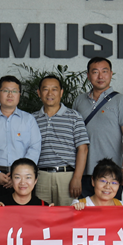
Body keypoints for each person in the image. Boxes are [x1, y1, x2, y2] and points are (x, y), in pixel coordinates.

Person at [72, 58, 123, 200]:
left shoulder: (122, 101)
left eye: (104, 71)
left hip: (111, 173)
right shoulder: (79, 101)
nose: (100, 76)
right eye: (95, 72)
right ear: (88, 76)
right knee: (84, 210)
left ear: (111, 74)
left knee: (111, 211)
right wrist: (76, 174)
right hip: (84, 171)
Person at [0, 75, 41, 206]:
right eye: (6, 90)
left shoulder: (29, 120)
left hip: (22, 180)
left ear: (19, 94)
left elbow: (34, 148)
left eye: (14, 91)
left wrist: (19, 174)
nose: (10, 95)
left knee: (23, 217)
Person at [32, 75, 89, 206]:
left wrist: (77, 178)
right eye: (45, 89)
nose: (50, 93)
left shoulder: (74, 117)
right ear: (39, 93)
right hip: (41, 177)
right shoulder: (32, 119)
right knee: (41, 215)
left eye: (54, 89)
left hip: (67, 176)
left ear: (61, 92)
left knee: (68, 215)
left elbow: (83, 149)